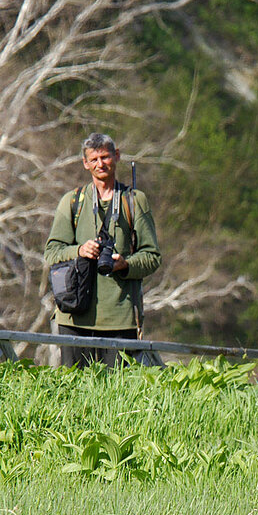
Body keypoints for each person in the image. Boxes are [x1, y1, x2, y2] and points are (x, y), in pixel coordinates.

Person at [44, 133, 161, 367]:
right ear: (85, 163)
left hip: (120, 319)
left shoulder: (134, 201)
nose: (101, 164)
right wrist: (80, 251)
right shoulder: (72, 201)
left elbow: (152, 257)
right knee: (73, 390)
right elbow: (52, 252)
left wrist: (125, 264)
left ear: (116, 157)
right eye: (94, 159)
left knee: (117, 396)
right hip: (74, 317)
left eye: (106, 157)